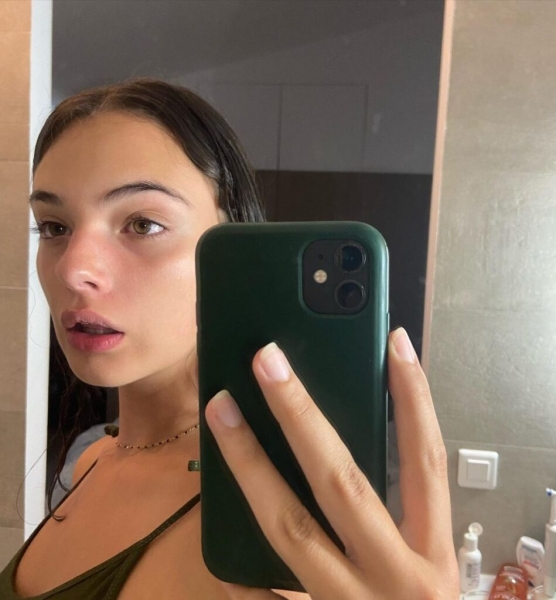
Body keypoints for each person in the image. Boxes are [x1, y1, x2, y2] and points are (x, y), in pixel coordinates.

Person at [0, 79, 459, 599]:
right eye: (54, 227)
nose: (73, 269)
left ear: (231, 240)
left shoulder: (258, 526)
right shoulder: (92, 459)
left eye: (143, 224)